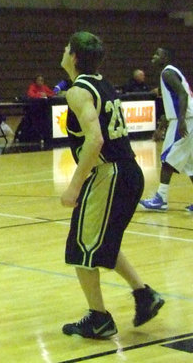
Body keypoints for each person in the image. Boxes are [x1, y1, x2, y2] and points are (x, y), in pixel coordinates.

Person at [59, 31, 163, 338]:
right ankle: (144, 295)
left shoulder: (78, 91)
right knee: (101, 241)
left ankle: (99, 319)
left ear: (75, 56)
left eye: (67, 48)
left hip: (112, 174)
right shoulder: (103, 83)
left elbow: (96, 139)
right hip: (129, 171)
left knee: (80, 246)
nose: (63, 51)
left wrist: (74, 186)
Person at [139, 47, 193, 212]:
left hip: (184, 120)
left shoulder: (167, 73)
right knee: (190, 165)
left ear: (166, 57)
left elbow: (183, 95)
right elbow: (170, 106)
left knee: (167, 159)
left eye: (157, 54)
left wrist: (182, 120)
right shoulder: (168, 73)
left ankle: (160, 199)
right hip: (184, 119)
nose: (154, 57)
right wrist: (161, 127)